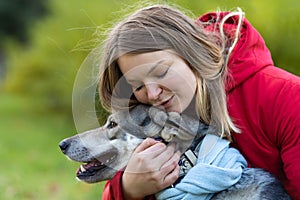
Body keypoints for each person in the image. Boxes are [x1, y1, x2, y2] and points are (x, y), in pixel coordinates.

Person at [95, 3, 300, 200]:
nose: (152, 93)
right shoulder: (153, 114)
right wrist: (129, 189)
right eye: (137, 86)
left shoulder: (287, 97)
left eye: (161, 72)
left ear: (193, 54)